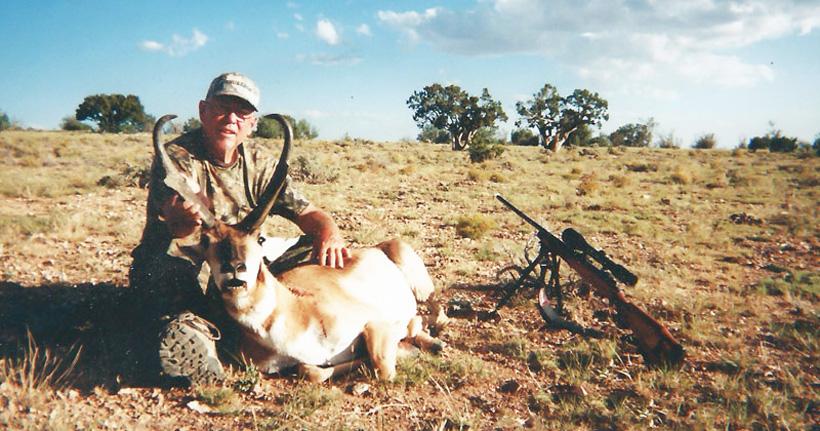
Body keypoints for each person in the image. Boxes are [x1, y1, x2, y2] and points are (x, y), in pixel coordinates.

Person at [129, 72, 349, 385]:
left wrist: (328, 231)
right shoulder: (176, 158)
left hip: (240, 264)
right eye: (222, 108)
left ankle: (289, 324)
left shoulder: (260, 162)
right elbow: (178, 229)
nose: (231, 119)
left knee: (307, 250)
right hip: (188, 256)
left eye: (242, 112)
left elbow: (308, 212)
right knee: (173, 278)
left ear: (252, 124)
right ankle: (199, 340)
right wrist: (181, 224)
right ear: (203, 111)